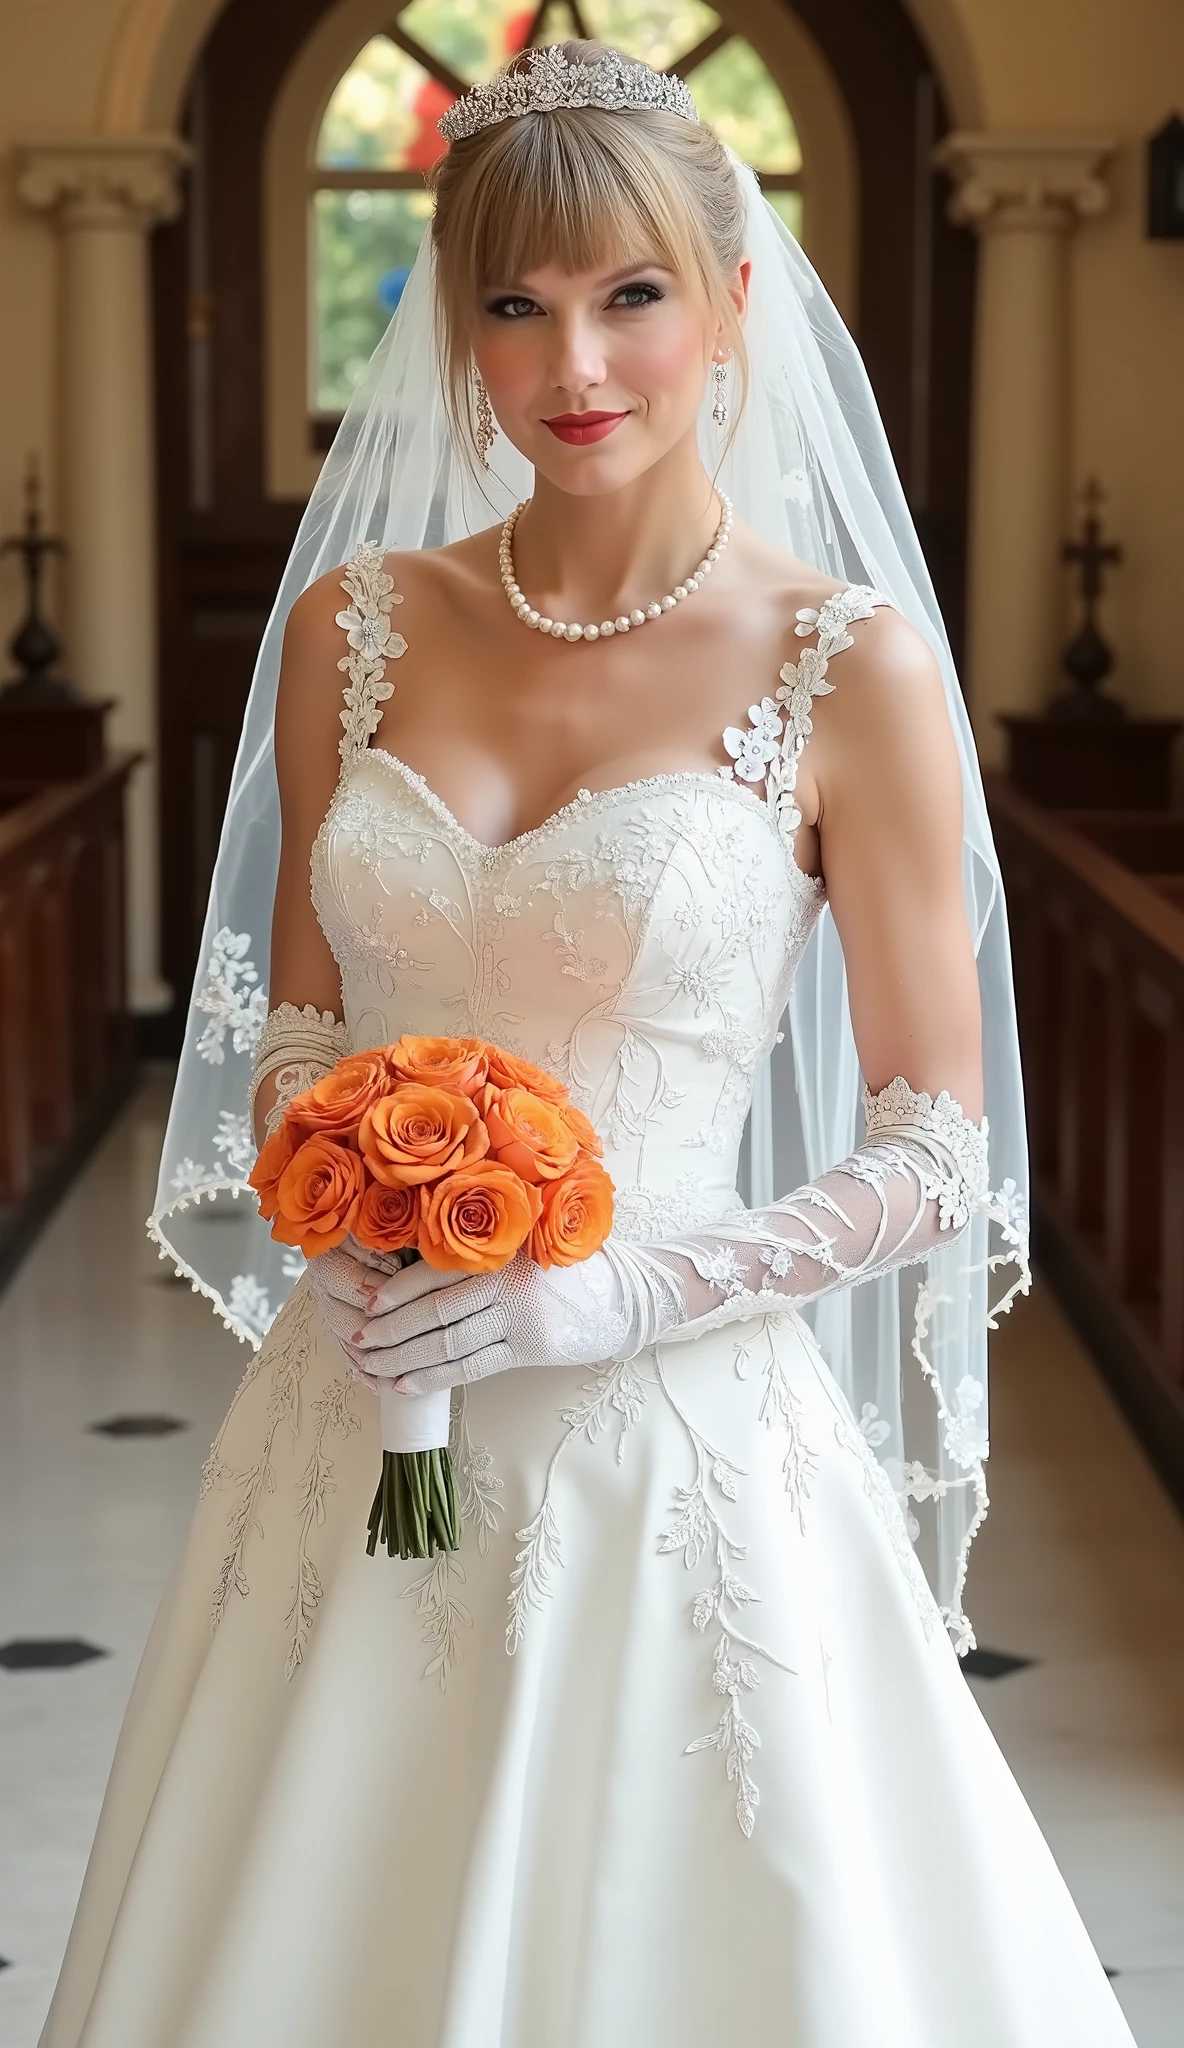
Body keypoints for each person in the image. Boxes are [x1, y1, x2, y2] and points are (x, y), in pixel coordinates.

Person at [42, 41, 1134, 2048]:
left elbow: (933, 1147)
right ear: (454, 330)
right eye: (517, 304)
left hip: (674, 1437)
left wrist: (617, 1291)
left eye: (631, 294)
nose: (578, 361)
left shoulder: (846, 663)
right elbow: (292, 1015)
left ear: (732, 299)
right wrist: (334, 1166)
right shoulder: (352, 626)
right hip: (360, 1402)